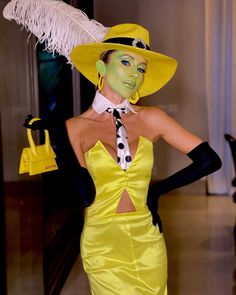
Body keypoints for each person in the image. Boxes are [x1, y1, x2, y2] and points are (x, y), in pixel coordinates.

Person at [62, 23, 221, 294]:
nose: (135, 74)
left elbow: (209, 160)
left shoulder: (152, 118)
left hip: (148, 240)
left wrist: (157, 190)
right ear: (101, 67)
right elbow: (83, 196)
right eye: (126, 62)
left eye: (141, 68)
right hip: (103, 244)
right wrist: (59, 143)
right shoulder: (74, 128)